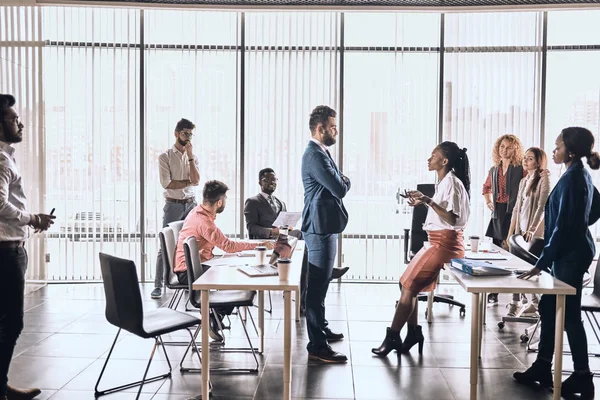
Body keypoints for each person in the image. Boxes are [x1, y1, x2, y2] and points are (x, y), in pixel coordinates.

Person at [514, 127, 600, 400]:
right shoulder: (576, 174)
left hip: (570, 256)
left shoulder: (574, 178)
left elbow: (562, 226)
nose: (553, 151)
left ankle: (583, 377)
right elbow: (594, 209)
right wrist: (580, 224)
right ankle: (542, 366)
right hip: (571, 252)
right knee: (550, 308)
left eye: (557, 146)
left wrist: (542, 262)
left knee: (570, 315)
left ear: (571, 152)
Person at [372, 141, 470, 357]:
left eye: (433, 155)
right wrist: (425, 201)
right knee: (405, 284)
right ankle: (414, 333)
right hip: (437, 240)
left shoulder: (452, 183)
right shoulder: (445, 182)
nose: (429, 158)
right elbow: (443, 213)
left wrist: (428, 201)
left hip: (445, 243)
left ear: (444, 161)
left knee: (408, 286)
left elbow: (452, 218)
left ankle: (393, 337)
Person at [0, 93, 56, 400]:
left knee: (4, 323)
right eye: (13, 119)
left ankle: (1, 384)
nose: (20, 124)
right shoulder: (0, 159)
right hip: (6, 253)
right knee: (12, 323)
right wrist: (31, 217)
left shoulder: (6, 157)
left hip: (9, 248)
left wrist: (32, 220)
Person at [173, 180, 273, 340]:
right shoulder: (204, 222)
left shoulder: (199, 212)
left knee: (235, 271)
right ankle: (214, 317)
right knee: (235, 278)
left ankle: (215, 315)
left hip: (198, 264)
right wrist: (259, 245)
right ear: (219, 202)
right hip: (189, 271)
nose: (225, 201)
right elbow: (227, 245)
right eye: (225, 198)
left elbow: (224, 244)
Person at [244, 168, 349, 313]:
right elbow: (251, 228)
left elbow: (284, 224)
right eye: (267, 180)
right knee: (302, 238)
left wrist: (286, 227)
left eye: (274, 180)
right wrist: (272, 231)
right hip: (266, 242)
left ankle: (318, 278)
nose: (271, 183)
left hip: (283, 239)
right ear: (259, 182)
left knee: (301, 239)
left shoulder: (280, 202)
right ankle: (324, 272)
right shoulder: (252, 201)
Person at [301, 105, 350, 363]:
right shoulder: (315, 156)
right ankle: (317, 345)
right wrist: (344, 182)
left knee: (322, 284)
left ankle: (322, 327)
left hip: (325, 225)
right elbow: (340, 188)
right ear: (320, 129)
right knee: (317, 287)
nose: (336, 131)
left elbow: (337, 183)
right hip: (319, 228)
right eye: (332, 127)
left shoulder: (322, 152)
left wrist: (341, 181)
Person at [151, 118, 200, 299]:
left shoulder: (192, 156)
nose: (188, 137)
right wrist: (188, 182)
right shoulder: (165, 156)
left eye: (190, 134)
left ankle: (189, 281)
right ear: (176, 133)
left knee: (190, 243)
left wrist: (190, 156)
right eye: (184, 133)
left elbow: (196, 180)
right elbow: (167, 183)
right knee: (165, 245)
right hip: (173, 205)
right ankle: (158, 284)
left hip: (191, 204)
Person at [505, 147, 550, 318]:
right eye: (525, 158)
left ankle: (534, 302)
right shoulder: (524, 180)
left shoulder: (544, 178)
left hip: (534, 231)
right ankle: (516, 301)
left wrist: (532, 229)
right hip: (520, 230)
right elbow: (517, 208)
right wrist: (511, 233)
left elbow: (542, 206)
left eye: (530, 158)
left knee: (531, 267)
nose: (525, 161)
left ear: (538, 162)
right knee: (516, 267)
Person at [482, 134, 526, 305]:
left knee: (512, 251)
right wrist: (488, 202)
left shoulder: (520, 168)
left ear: (515, 149)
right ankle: (494, 292)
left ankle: (518, 293)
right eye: (502, 146)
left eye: (508, 147)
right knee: (496, 252)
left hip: (513, 212)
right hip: (498, 212)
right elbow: (486, 188)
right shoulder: (494, 169)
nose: (504, 150)